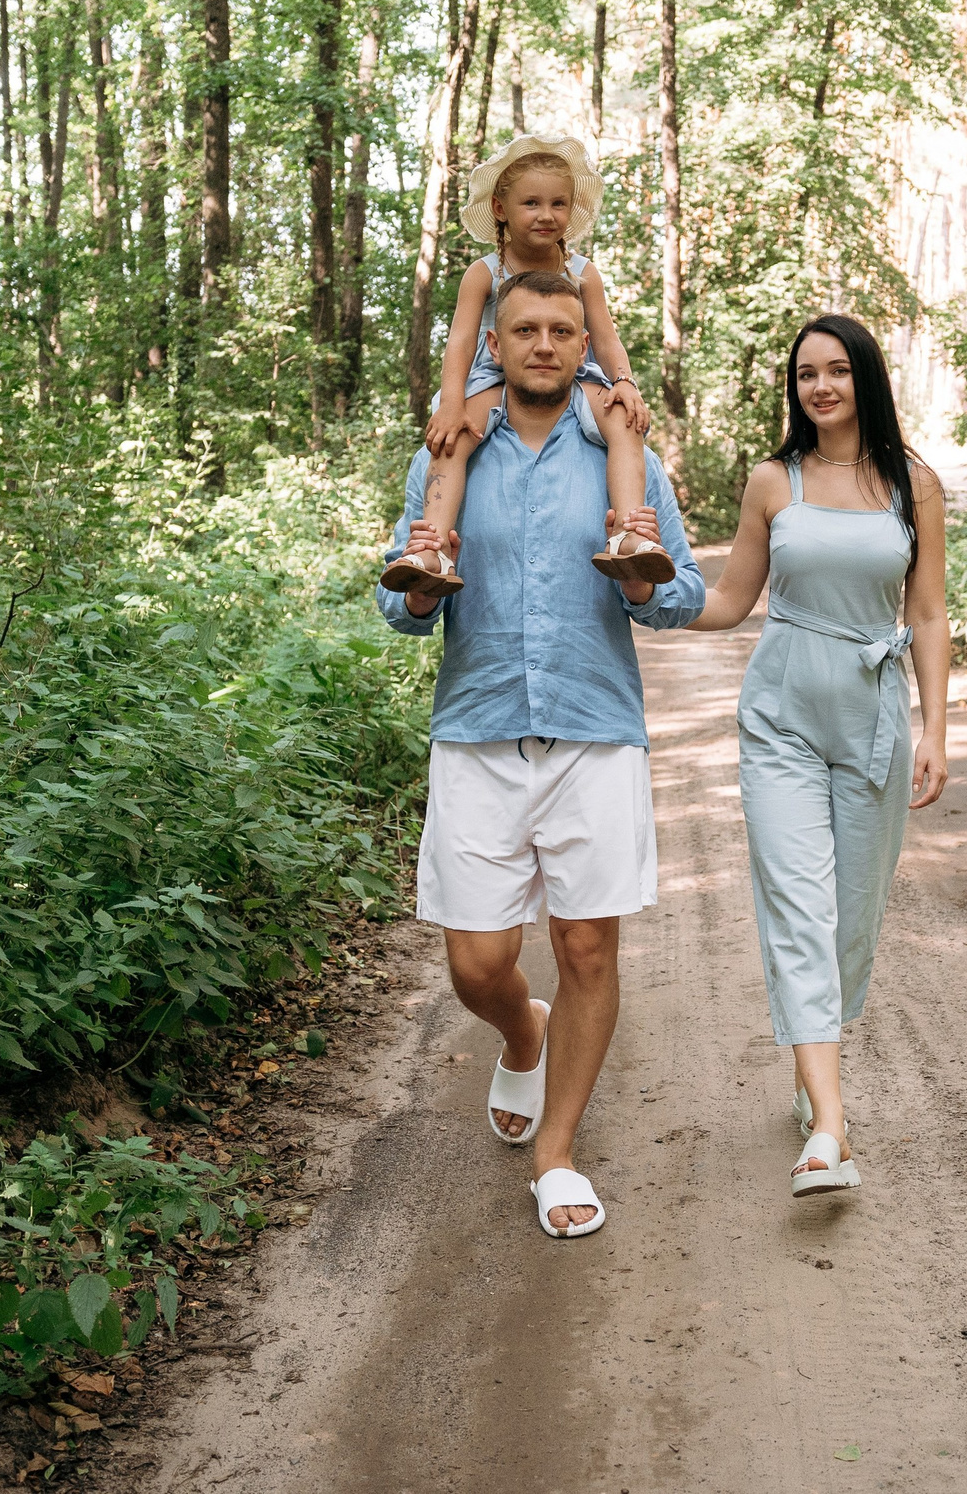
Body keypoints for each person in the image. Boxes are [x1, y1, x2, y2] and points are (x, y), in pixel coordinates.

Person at [376, 267, 704, 1237]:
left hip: (594, 730)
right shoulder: (451, 450)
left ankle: (557, 1156)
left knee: (586, 945)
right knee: (477, 964)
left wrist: (642, 580)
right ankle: (525, 1030)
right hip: (476, 729)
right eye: (526, 328)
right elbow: (398, 605)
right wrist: (428, 585)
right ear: (497, 343)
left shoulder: (621, 449)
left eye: (564, 328)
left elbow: (678, 593)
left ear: (583, 342)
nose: (547, 343)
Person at [688, 314, 949, 1195]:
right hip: (783, 713)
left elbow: (927, 615)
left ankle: (814, 1078)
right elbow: (729, 599)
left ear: (864, 378)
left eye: (837, 371)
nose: (821, 386)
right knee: (799, 905)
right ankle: (829, 1129)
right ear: (793, 387)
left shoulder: (915, 483)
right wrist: (645, 595)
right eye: (806, 374)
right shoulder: (775, 479)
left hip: (874, 712)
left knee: (852, 916)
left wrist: (938, 732)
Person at [379, 134, 667, 599]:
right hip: (494, 377)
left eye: (558, 204)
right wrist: (452, 403)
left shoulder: (582, 272)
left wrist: (624, 382)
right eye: (531, 203)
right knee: (456, 437)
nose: (546, 215)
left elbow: (606, 338)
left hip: (574, 376)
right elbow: (459, 342)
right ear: (500, 207)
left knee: (623, 419)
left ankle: (629, 535)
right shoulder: (485, 272)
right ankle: (430, 550)